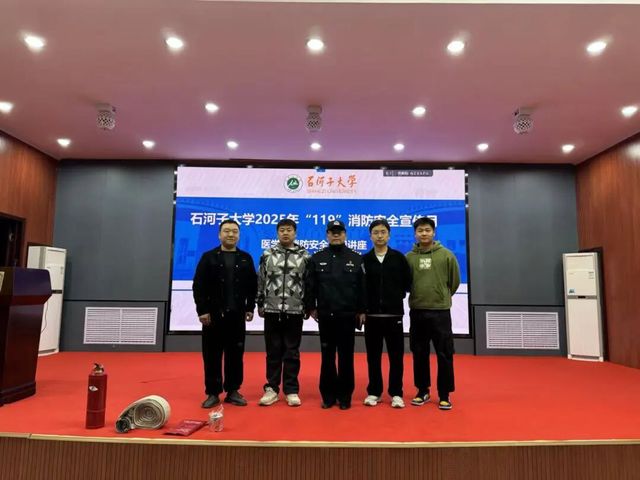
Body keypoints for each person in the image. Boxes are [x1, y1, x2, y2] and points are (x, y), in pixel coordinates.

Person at [192, 219, 257, 408]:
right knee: (211, 355)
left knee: (235, 355)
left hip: (236, 316)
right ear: (219, 235)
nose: (231, 234)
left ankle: (233, 391)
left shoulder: (245, 258)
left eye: (234, 231)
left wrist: (250, 307)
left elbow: (252, 286)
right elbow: (198, 286)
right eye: (227, 231)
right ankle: (212, 393)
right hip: (213, 316)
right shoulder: (209, 257)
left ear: (239, 235)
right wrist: (202, 310)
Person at [305, 220, 366, 410]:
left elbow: (362, 288)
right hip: (326, 316)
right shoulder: (317, 258)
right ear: (327, 235)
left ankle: (345, 396)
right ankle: (328, 395)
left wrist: (361, 310)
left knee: (346, 357)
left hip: (348, 316)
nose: (336, 235)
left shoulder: (356, 258)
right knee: (327, 357)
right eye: (333, 232)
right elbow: (310, 286)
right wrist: (311, 307)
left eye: (339, 232)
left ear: (345, 235)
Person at [406, 216, 460, 411]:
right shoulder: (409, 257)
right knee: (419, 352)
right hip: (417, 311)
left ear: (434, 232)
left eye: (427, 230)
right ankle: (422, 391)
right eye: (420, 230)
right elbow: (407, 283)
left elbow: (454, 282)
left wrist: (441, 296)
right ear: (415, 233)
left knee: (444, 353)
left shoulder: (446, 255)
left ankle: (444, 394)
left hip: (440, 313)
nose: (424, 233)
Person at [256, 219, 310, 407]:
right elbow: (261, 279)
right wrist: (259, 302)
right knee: (273, 351)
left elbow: (308, 282)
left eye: (289, 230)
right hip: (272, 309)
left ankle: (291, 390)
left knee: (292, 352)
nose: (285, 233)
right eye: (282, 230)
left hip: (295, 310)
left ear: (295, 233)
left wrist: (307, 305)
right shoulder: (267, 254)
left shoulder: (304, 256)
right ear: (277, 232)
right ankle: (271, 388)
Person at [362, 219, 411, 409]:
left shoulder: (399, 258)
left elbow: (407, 283)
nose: (379, 235)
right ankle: (374, 392)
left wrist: (394, 297)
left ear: (389, 235)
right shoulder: (364, 260)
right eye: (376, 232)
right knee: (373, 357)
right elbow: (360, 288)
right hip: (372, 317)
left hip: (394, 316)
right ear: (370, 236)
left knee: (396, 357)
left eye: (383, 232)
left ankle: (396, 393)